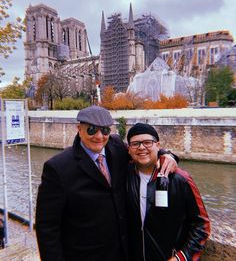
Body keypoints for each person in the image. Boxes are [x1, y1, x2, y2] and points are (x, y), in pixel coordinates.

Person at [36, 105, 178, 261]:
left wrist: (166, 155)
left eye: (104, 130)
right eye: (91, 130)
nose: (99, 136)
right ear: (79, 129)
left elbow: (142, 151)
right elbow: (47, 229)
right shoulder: (58, 168)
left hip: (122, 253)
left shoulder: (115, 146)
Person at [126, 123, 211, 261]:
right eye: (135, 144)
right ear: (129, 149)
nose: (141, 147)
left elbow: (201, 225)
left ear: (158, 146)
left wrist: (181, 257)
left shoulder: (180, 179)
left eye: (147, 142)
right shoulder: (124, 174)